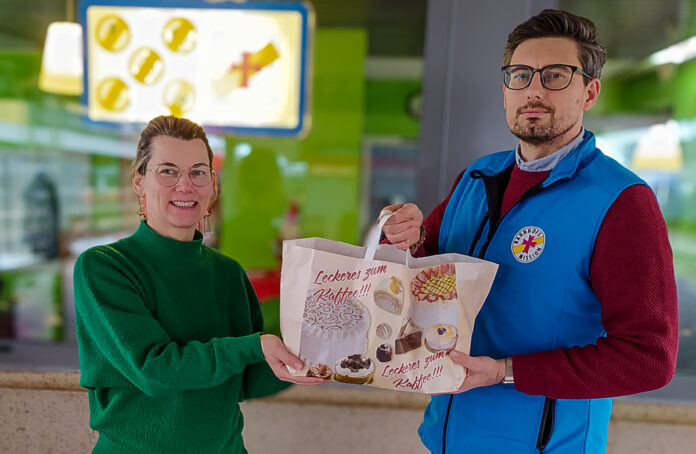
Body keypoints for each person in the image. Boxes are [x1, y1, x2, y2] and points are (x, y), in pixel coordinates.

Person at [381, 9, 679, 453]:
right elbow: (423, 271)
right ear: (505, 90)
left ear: (590, 92)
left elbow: (649, 358)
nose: (534, 89)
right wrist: (404, 234)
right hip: (447, 436)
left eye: (556, 75)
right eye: (521, 75)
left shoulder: (620, 202)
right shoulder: (478, 177)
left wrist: (504, 371)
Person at [74, 115, 325, 454]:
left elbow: (244, 379)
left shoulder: (228, 274)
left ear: (211, 184)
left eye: (198, 171)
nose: (185, 185)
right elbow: (154, 370)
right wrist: (256, 346)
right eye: (168, 171)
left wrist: (320, 354)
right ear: (138, 181)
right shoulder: (105, 268)